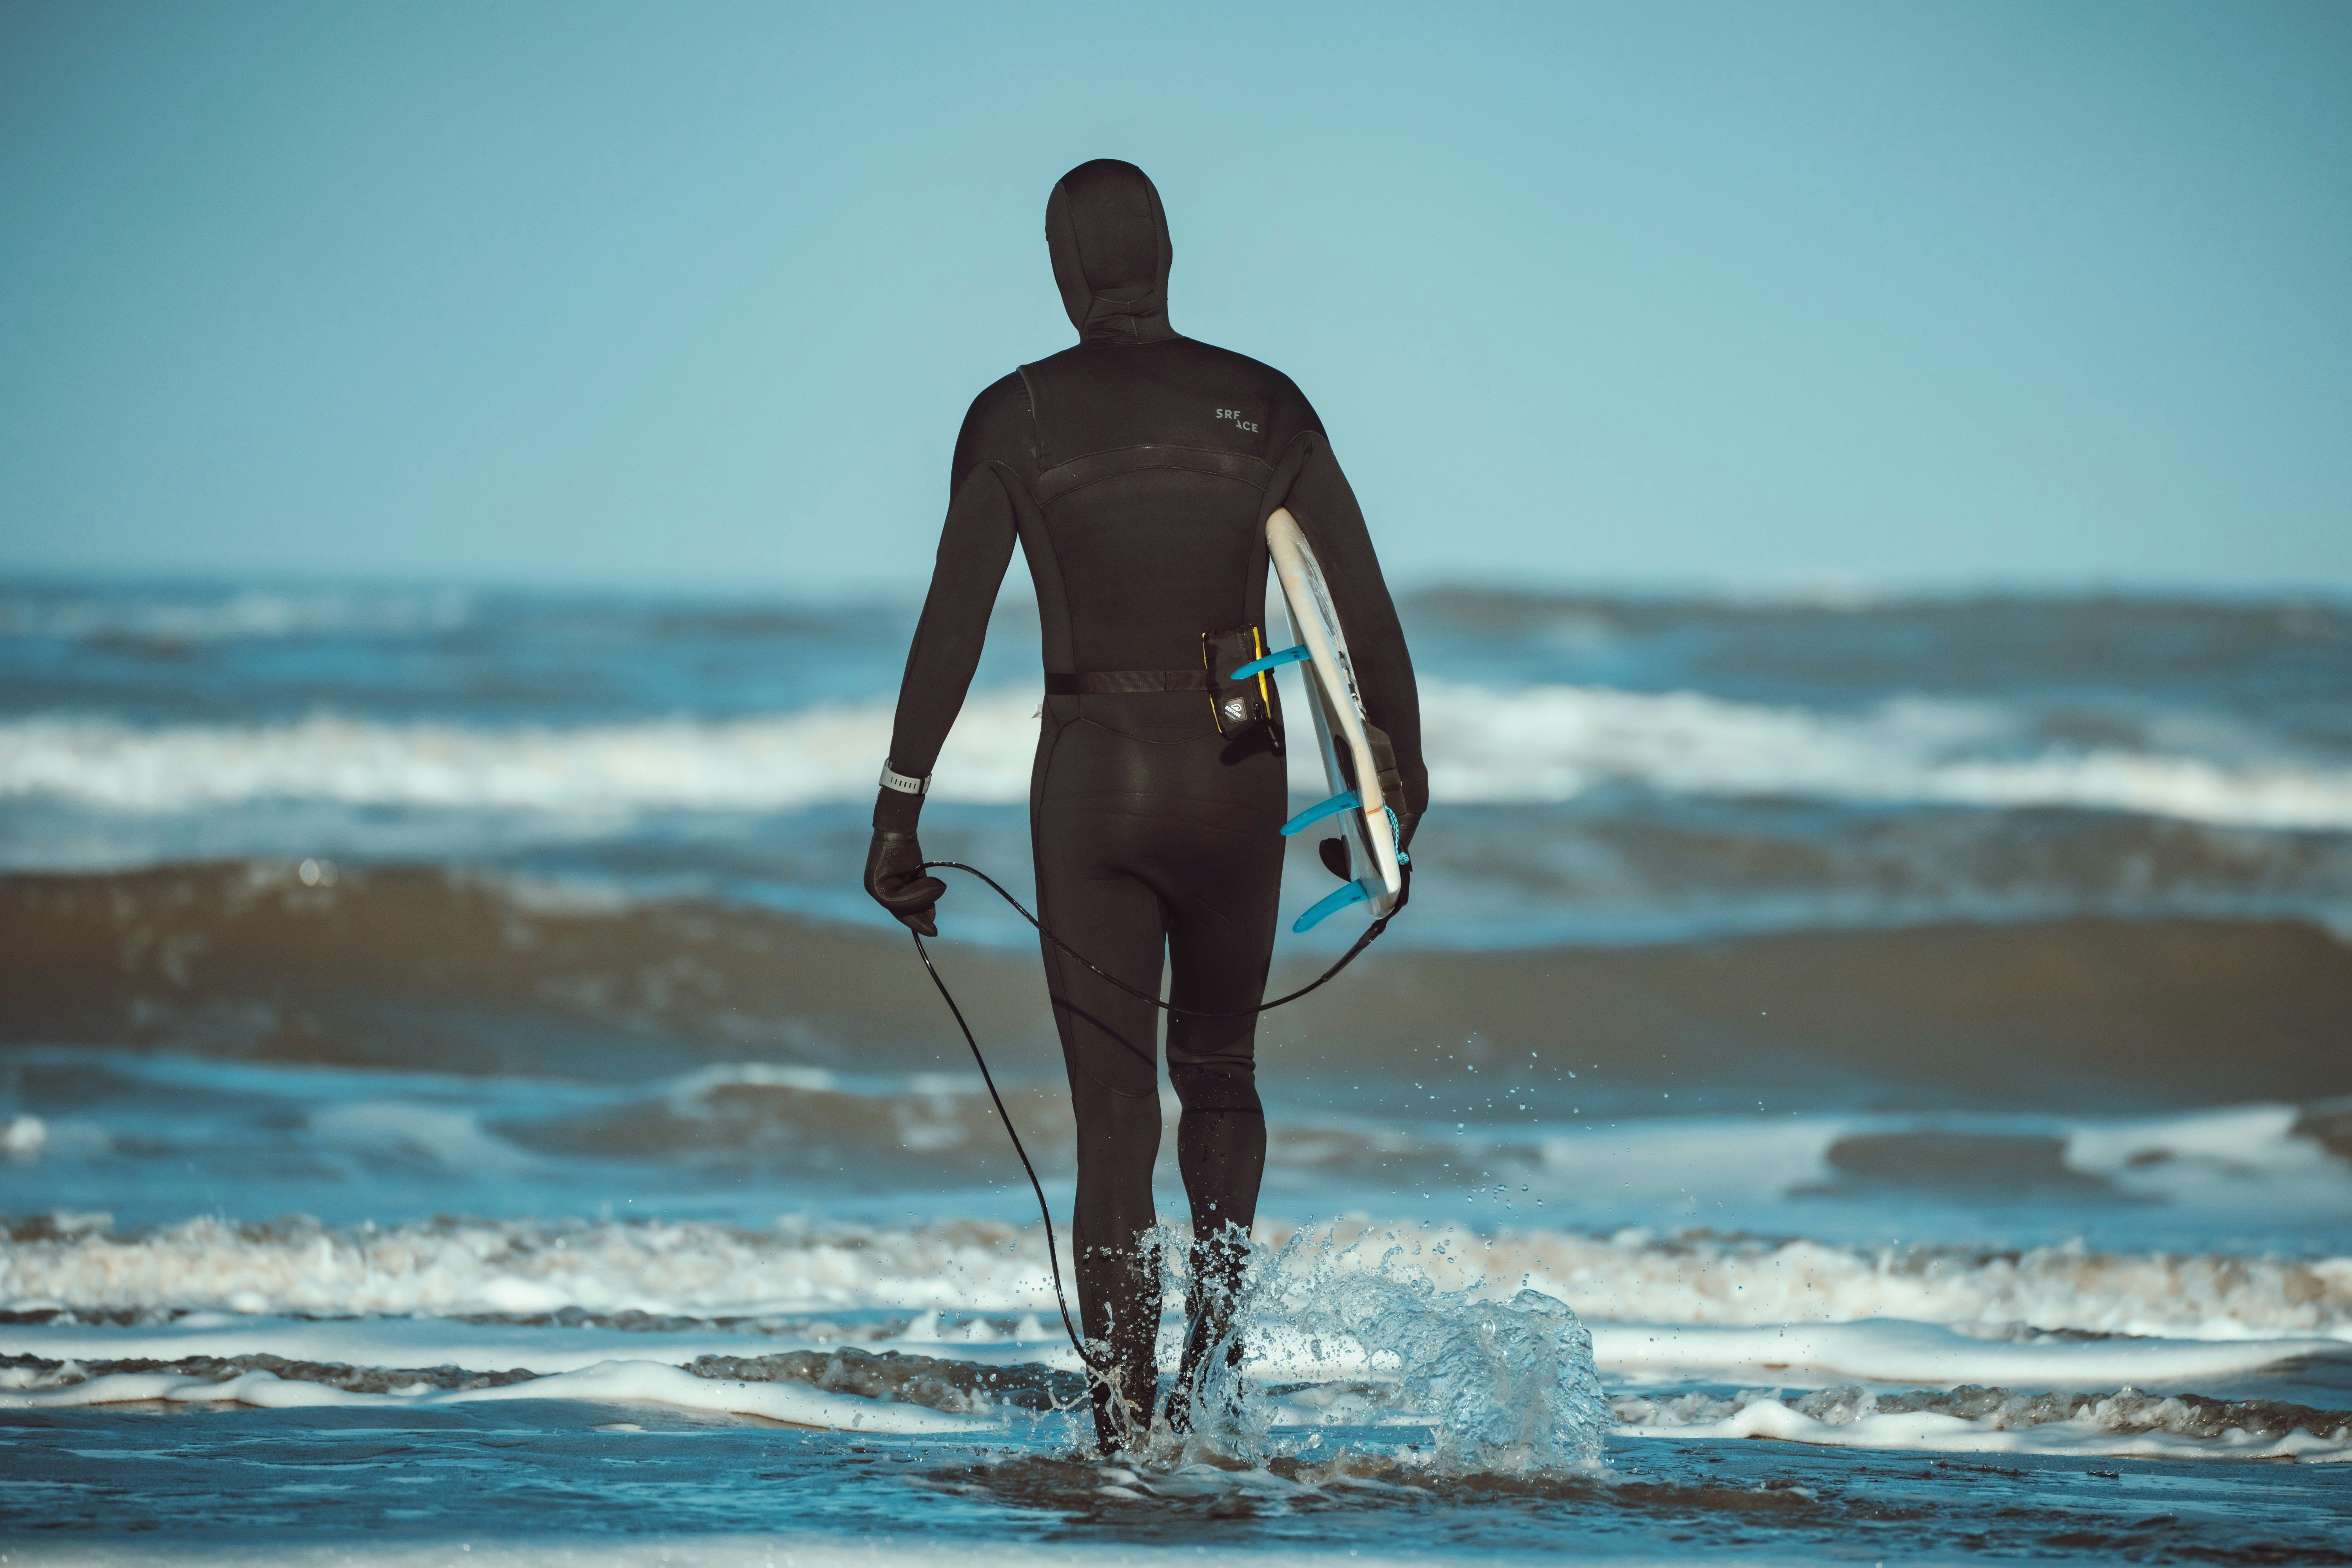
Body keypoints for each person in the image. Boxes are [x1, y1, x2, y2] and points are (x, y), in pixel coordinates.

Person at [863, 158, 1426, 1452]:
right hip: (1236, 776)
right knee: (1221, 1077)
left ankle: (1124, 1431)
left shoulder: (1014, 416)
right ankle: (1213, 1394)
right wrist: (1399, 792)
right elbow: (1362, 616)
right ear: (1167, 258)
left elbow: (953, 625)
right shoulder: (1266, 404)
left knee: (1115, 1118)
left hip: (1094, 782)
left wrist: (900, 810)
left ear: (1065, 274)